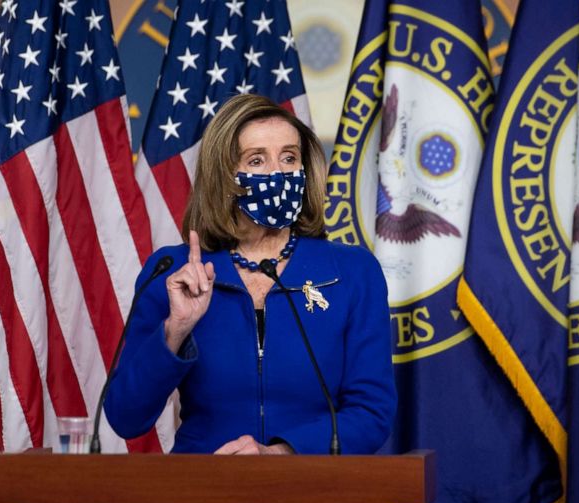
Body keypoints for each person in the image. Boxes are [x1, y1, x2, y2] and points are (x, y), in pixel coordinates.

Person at [104, 94, 395, 455]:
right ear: (224, 177)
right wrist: (175, 329)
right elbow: (126, 417)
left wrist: (279, 454)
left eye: (289, 158)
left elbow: (372, 412)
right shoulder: (173, 271)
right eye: (256, 160)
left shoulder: (352, 273)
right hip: (202, 494)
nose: (278, 172)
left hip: (317, 495)